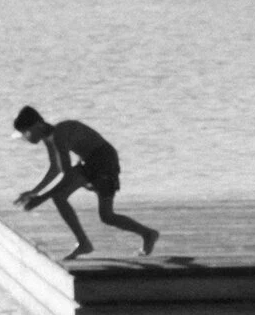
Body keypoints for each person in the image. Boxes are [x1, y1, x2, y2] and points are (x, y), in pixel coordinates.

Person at [12, 104, 159, 256]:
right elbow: (55, 168)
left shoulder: (60, 134)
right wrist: (33, 192)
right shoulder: (49, 139)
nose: (26, 138)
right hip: (89, 163)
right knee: (105, 215)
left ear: (38, 125)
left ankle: (86, 243)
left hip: (104, 161)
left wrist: (40, 199)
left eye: (27, 133)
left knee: (70, 201)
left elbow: (68, 175)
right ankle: (147, 234)